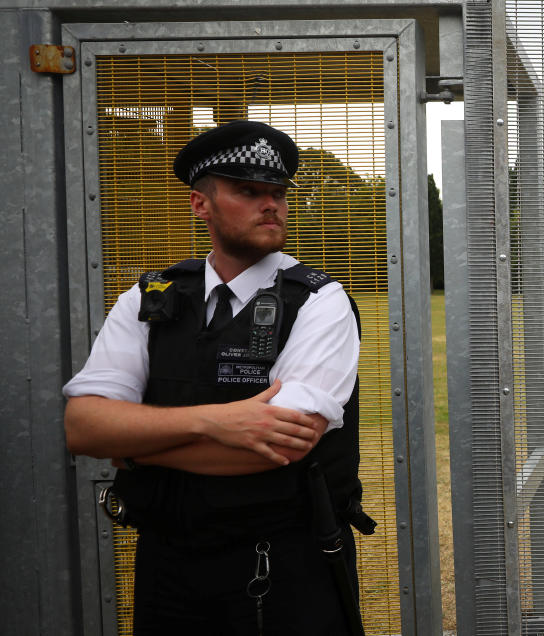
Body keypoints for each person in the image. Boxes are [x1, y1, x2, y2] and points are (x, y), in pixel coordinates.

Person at [63, 121, 374, 635]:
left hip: (283, 566)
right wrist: (221, 421)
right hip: (168, 563)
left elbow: (280, 443)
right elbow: (84, 428)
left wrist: (135, 448)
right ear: (200, 204)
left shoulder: (320, 300)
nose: (270, 204)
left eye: (277, 193)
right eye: (247, 191)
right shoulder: (150, 297)